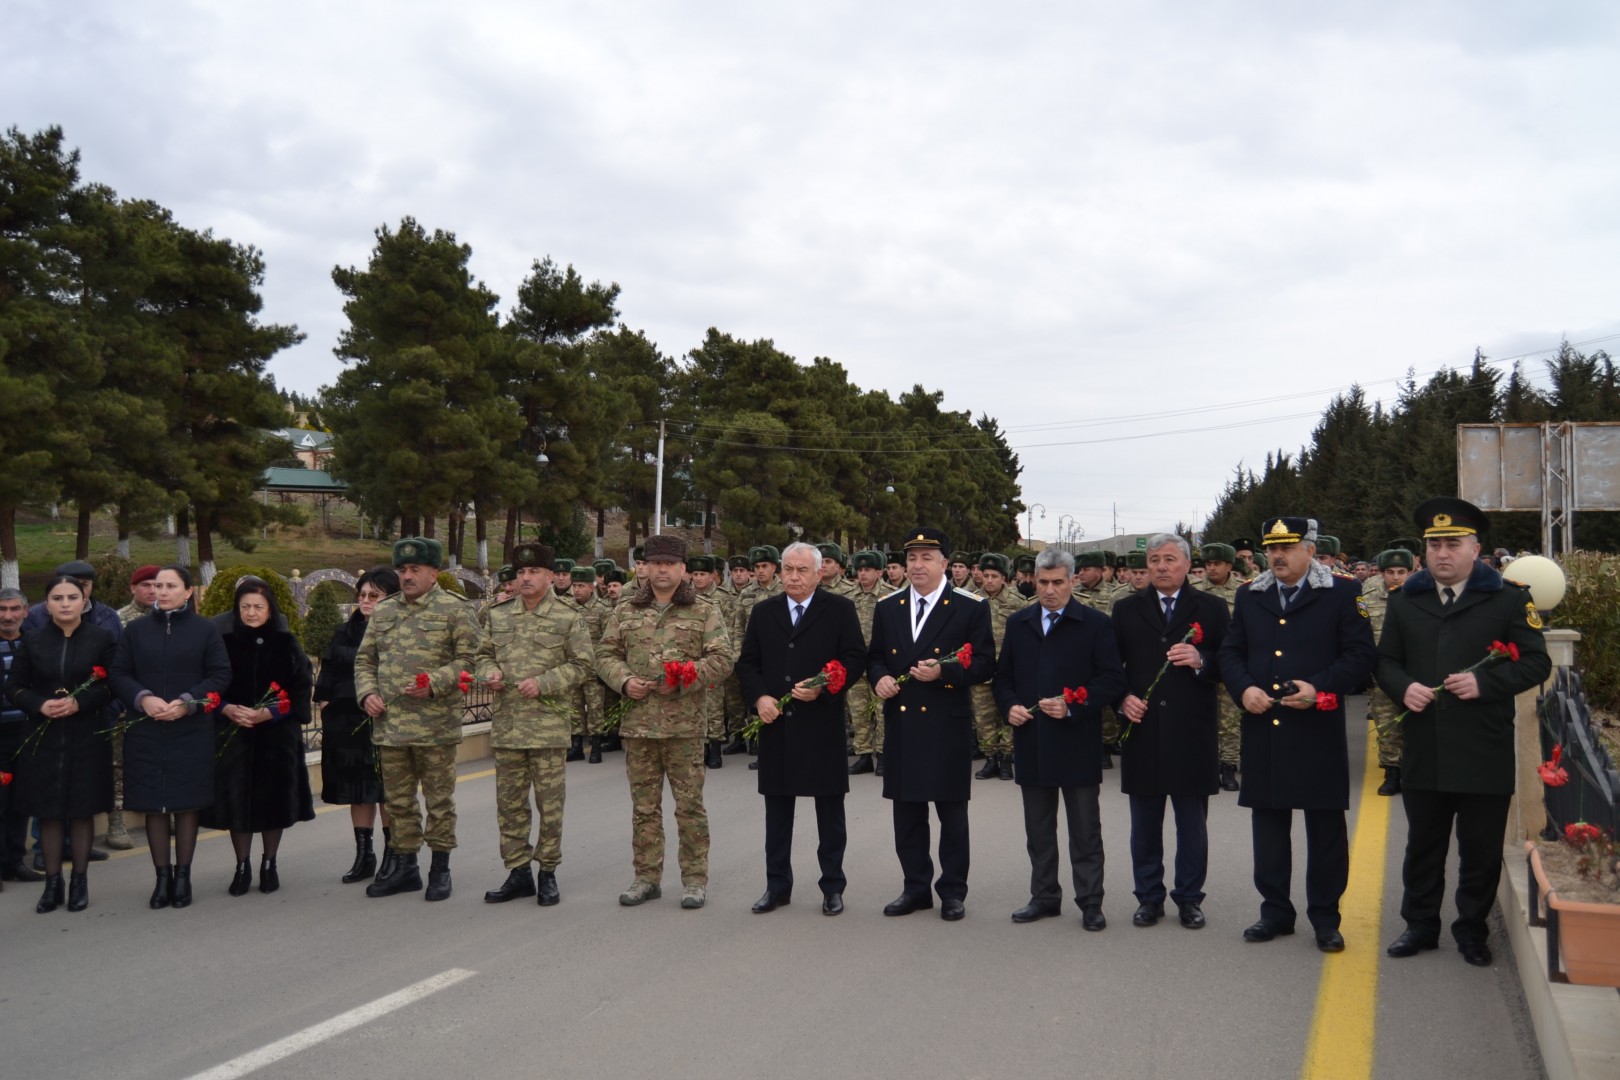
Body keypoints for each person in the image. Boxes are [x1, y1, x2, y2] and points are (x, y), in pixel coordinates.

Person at [1377, 498, 1550, 967]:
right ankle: (1420, 925)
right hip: (1425, 747)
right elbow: (1386, 662)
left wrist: (1484, 682)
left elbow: (1537, 661)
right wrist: (1404, 688)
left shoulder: (1509, 597)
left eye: (1453, 543)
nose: (1442, 554)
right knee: (1423, 846)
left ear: (1476, 548)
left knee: (1479, 849)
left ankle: (1472, 930)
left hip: (1482, 747)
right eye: (1434, 544)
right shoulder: (1405, 600)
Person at [1219, 517, 1376, 952]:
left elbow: (1361, 655)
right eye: (1272, 548)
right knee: (1268, 829)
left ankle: (1326, 917)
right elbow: (1231, 651)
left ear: (1310, 549)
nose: (1277, 556)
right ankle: (1275, 913)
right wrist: (1243, 688)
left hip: (1316, 730)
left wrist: (1319, 687)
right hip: (1264, 728)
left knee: (1325, 831)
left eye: (1287, 547)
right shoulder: (1251, 594)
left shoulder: (1343, 592)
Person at [596, 533, 733, 909]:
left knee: (689, 806)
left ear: (683, 569)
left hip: (684, 726)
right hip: (638, 726)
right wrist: (623, 681)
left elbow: (722, 659)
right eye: (654, 563)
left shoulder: (703, 610)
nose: (661, 570)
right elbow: (605, 654)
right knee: (644, 808)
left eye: (669, 564)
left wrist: (685, 677)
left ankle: (694, 880)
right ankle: (646, 877)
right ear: (645, 568)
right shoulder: (625, 610)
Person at [993, 548, 1127, 930]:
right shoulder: (1020, 623)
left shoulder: (1095, 624)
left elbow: (1112, 679)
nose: (1049, 590)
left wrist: (1071, 706)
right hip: (1032, 740)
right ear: (1034, 581)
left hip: (1076, 741)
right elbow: (1003, 678)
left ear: (1072, 581)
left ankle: (1090, 902)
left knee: (1085, 829)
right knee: (1038, 829)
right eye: (1043, 582)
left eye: (1057, 582)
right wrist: (1011, 706)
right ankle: (1045, 896)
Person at [867, 528, 995, 921]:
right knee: (907, 814)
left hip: (945, 724)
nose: (917, 565)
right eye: (912, 558)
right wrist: (880, 679)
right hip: (903, 724)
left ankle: (953, 891)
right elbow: (875, 658)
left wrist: (945, 671)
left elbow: (986, 662)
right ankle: (915, 888)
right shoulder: (888, 606)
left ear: (945, 564)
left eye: (927, 558)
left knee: (951, 815)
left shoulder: (970, 606)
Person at [735, 542, 866, 916]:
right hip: (777, 726)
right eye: (787, 569)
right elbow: (749, 663)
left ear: (819, 572)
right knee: (777, 814)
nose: (792, 577)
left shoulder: (839, 609)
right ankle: (777, 886)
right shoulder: (764, 612)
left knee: (829, 812)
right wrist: (760, 698)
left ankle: (832, 887)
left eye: (801, 570)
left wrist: (824, 688)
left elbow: (854, 658)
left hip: (821, 725)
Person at [355, 537, 482, 902]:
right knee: (399, 802)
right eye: (402, 570)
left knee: (439, 801)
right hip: (391, 726)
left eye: (414, 570)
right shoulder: (384, 611)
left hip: (436, 726)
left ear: (433, 573)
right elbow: (365, 661)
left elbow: (470, 662)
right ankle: (405, 867)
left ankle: (440, 868)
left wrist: (436, 683)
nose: (407, 577)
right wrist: (368, 694)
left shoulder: (455, 610)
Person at [1113, 534, 1229, 930]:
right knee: (1144, 824)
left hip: (1190, 731)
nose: (1160, 567)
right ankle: (1148, 897)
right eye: (1154, 560)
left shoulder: (1211, 609)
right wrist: (1122, 699)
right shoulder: (1126, 609)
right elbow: (1111, 668)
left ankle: (1189, 898)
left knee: (1191, 824)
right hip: (1143, 730)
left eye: (1169, 559)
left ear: (1186, 564)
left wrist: (1202, 660)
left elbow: (1231, 660)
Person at [477, 543, 593, 907]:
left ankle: (547, 872)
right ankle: (518, 871)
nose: (525, 578)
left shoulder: (567, 616)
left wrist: (545, 682)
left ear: (549, 575)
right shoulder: (498, 615)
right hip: (509, 726)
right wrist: (488, 672)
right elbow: (482, 655)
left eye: (533, 572)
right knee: (509, 804)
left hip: (547, 728)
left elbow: (583, 665)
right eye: (520, 572)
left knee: (549, 805)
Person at [110, 565, 232, 910]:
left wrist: (188, 702)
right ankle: (161, 877)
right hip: (146, 727)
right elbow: (119, 673)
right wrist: (143, 698)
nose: (161, 592)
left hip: (188, 729)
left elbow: (220, 675)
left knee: (186, 803)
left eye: (169, 586)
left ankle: (183, 876)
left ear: (188, 591)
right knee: (154, 805)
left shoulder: (205, 630)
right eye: (156, 586)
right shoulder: (135, 630)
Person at [8, 575, 117, 913]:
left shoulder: (102, 638)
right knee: (50, 812)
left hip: (87, 734)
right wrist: (39, 704)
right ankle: (52, 883)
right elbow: (14, 686)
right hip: (44, 736)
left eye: (73, 596)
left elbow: (112, 684)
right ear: (47, 604)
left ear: (83, 601)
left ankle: (79, 881)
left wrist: (80, 703)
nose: (66, 603)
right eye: (58, 597)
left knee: (81, 811)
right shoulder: (34, 640)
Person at [202, 577, 316, 896]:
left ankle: (270, 863)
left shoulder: (286, 642)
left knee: (272, 802)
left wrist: (272, 712)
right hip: (234, 736)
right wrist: (225, 709)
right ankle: (242, 865)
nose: (251, 613)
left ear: (270, 610)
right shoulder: (222, 642)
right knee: (237, 803)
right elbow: (209, 686)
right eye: (245, 607)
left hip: (276, 738)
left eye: (258, 607)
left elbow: (300, 687)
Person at [315, 567, 399, 884]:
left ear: (391, 598)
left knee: (386, 791)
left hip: (383, 720)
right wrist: (325, 703)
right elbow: (328, 673)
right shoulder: (344, 631)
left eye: (374, 595)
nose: (365, 600)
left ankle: (394, 855)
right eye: (362, 595)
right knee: (358, 793)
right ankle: (364, 855)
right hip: (345, 723)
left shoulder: (397, 631)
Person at [0, 587, 43, 887]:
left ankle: (15, 862)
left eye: (15, 609)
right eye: (2, 610)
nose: (7, 616)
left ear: (26, 612)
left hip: (27, 734)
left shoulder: (35, 643)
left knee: (20, 802)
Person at [971, 553, 1027, 782]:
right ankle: (990, 758)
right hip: (980, 670)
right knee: (983, 718)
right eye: (986, 576)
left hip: (1007, 671)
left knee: (1007, 715)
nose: (990, 580)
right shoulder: (972, 601)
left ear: (1004, 578)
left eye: (995, 576)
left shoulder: (1017, 602)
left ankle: (1006, 758)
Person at [1194, 543, 1244, 792]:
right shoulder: (1194, 592)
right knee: (1203, 718)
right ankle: (1208, 765)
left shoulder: (1244, 592)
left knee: (1229, 719)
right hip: (1201, 663)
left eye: (1217, 564)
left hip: (1232, 663)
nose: (1211, 568)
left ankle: (1228, 766)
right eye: (1208, 564)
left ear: (1229, 566)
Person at [1364, 549, 1413, 796]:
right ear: (1381, 573)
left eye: (1401, 572)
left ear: (1410, 572)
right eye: (1390, 572)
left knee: (1415, 724)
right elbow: (1361, 633)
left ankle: (1412, 773)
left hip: (1414, 672)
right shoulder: (1366, 597)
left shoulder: (1420, 597)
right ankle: (1391, 772)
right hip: (1381, 672)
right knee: (1386, 723)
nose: (1396, 577)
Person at [847, 550, 894, 777]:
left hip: (881, 665)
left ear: (879, 572)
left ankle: (884, 756)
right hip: (855, 664)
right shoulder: (849, 596)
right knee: (858, 712)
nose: (863, 574)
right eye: (860, 570)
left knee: (883, 712)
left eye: (868, 570)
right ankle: (864, 755)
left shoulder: (892, 596)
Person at [563, 565, 613, 764]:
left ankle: (595, 746)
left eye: (581, 586)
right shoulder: (567, 608)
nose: (576, 590)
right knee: (574, 707)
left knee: (594, 708)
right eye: (574, 585)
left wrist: (603, 667)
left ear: (592, 587)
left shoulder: (602, 610)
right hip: (573, 668)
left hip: (593, 669)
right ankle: (576, 746)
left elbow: (609, 641)